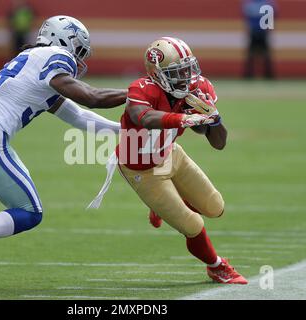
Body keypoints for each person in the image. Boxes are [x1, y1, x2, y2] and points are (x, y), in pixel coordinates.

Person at [0, 15, 127, 289]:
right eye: (77, 50)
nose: (78, 59)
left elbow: (78, 116)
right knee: (30, 211)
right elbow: (92, 97)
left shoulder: (32, 61)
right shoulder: (54, 55)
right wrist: (137, 93)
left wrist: (122, 130)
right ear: (62, 40)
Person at [91, 37, 248, 284]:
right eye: (178, 72)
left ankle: (164, 204)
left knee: (215, 207)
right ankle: (216, 266)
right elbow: (143, 117)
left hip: (170, 154)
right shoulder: (141, 88)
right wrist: (182, 119)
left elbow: (219, 143)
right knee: (192, 224)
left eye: (188, 69)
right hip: (140, 168)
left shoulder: (198, 88)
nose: (187, 77)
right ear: (157, 73)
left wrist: (214, 119)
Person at [243, 0, 275, 79]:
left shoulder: (249, 4)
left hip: (258, 32)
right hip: (260, 32)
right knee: (256, 54)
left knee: (259, 54)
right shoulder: (268, 3)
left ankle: (250, 74)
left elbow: (247, 17)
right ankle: (267, 75)